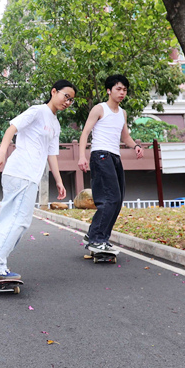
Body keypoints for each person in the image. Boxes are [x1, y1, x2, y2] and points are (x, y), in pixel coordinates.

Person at [0, 80, 75, 279]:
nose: (68, 102)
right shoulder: (37, 111)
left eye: (71, 100)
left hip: (28, 176)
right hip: (21, 172)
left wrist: (59, 181)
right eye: (66, 96)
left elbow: (52, 154)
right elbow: (12, 128)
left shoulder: (56, 124)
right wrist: (1, 153)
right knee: (19, 221)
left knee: (10, 219)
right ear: (54, 91)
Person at [77, 74, 144, 254]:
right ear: (109, 90)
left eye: (125, 90)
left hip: (114, 157)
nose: (122, 93)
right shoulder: (100, 109)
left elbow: (125, 137)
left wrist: (135, 146)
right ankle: (97, 239)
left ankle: (94, 235)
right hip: (100, 155)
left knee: (117, 200)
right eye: (118, 89)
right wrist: (82, 156)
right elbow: (85, 133)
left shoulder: (122, 113)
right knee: (110, 198)